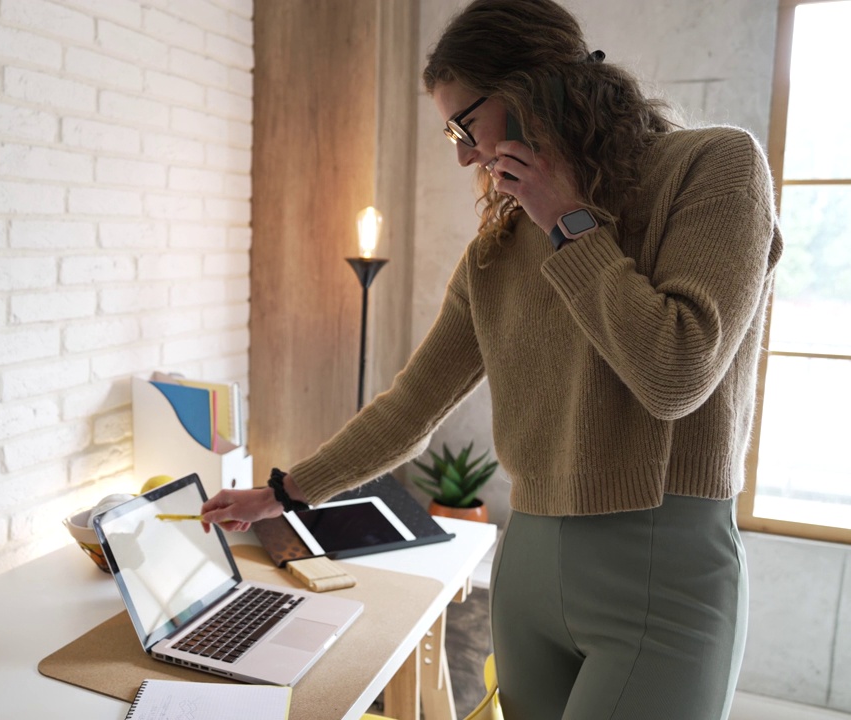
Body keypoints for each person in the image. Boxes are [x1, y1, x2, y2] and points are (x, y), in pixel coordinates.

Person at [200, 0, 783, 718]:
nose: (461, 153)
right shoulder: (497, 252)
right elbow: (411, 404)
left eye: (463, 124)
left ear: (531, 89)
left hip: (662, 568)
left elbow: (676, 373)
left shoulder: (715, 168)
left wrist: (571, 223)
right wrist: (283, 493)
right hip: (530, 565)